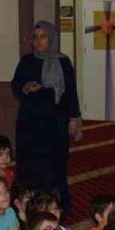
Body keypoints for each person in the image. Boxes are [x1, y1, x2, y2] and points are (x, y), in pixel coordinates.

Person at [12, 20, 83, 212]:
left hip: (55, 123)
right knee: (29, 163)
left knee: (54, 164)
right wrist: (26, 88)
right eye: (35, 37)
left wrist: (73, 117)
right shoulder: (27, 60)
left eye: (43, 37)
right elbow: (16, 86)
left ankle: (55, 206)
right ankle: (28, 205)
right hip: (30, 122)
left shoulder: (63, 61)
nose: (38, 41)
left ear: (51, 38)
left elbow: (70, 92)